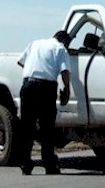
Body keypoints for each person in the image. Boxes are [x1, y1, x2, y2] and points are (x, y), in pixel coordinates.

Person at [16, 30, 72, 175]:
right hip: (46, 88)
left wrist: (35, 72)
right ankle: (49, 164)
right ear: (64, 41)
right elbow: (65, 71)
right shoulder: (60, 48)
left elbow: (22, 62)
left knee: (27, 126)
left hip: (27, 85)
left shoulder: (35, 43)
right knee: (47, 127)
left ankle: (25, 163)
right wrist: (66, 88)